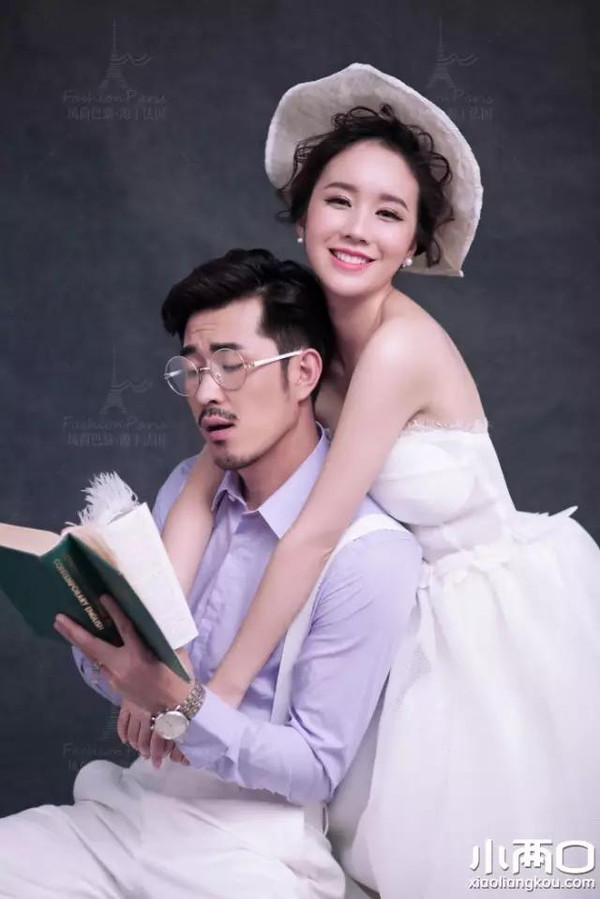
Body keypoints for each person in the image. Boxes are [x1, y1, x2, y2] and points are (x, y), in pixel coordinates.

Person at [161, 65, 600, 897]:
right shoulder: (304, 335)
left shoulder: (398, 349)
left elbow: (315, 534)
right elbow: (197, 490)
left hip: (481, 613)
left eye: (389, 212)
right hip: (392, 604)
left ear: (414, 243)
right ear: (302, 216)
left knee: (489, 858)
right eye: (339, 200)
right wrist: (165, 645)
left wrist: (207, 698)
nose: (359, 228)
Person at [0, 248, 421, 899]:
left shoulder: (368, 553)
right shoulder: (186, 491)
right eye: (192, 369)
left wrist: (178, 702)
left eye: (230, 364)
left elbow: (316, 765)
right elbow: (131, 676)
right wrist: (107, 650)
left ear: (304, 372)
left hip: (252, 851)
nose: (205, 393)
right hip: (127, 812)